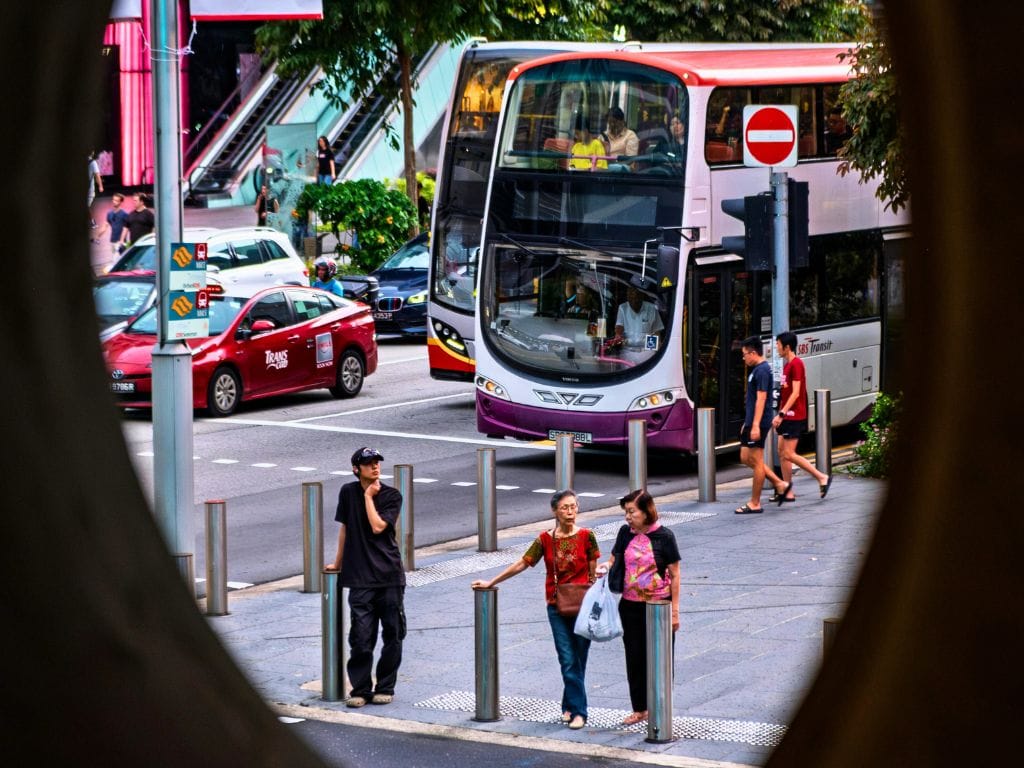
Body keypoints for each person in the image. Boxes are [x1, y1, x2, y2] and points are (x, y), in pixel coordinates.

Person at [471, 490, 599, 731]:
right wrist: (492, 581)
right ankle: (580, 712)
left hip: (583, 607)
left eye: (573, 506)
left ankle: (569, 704)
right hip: (556, 606)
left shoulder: (587, 536)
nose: (570, 512)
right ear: (554, 511)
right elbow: (523, 562)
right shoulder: (545, 539)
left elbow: (593, 570)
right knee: (567, 659)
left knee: (579, 659)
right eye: (564, 507)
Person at [326, 447, 406, 708]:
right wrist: (337, 563)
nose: (375, 467)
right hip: (359, 577)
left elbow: (378, 526)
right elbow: (345, 529)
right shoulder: (348, 492)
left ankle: (385, 686)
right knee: (361, 637)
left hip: (389, 576)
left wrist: (369, 497)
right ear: (356, 469)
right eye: (369, 463)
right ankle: (360, 690)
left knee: (393, 635)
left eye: (377, 462)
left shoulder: (391, 495)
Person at [596, 489, 681, 726]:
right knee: (634, 657)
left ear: (646, 511)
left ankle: (661, 707)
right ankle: (640, 708)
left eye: (632, 512)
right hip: (630, 605)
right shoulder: (625, 533)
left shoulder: (664, 536)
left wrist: (675, 611)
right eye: (626, 512)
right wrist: (605, 566)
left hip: (659, 606)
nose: (628, 517)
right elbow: (615, 558)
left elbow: (675, 574)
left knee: (661, 658)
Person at [763, 331, 832, 504]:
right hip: (787, 415)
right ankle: (787, 491)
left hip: (794, 415)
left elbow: (795, 394)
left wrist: (781, 414)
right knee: (782, 453)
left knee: (789, 453)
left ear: (787, 347)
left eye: (778, 345)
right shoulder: (787, 365)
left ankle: (821, 477)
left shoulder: (797, 364)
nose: (777, 348)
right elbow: (785, 393)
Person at [735, 336, 774, 514]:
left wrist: (756, 425)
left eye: (744, 354)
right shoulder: (757, 370)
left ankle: (755, 503)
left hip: (760, 422)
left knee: (757, 461)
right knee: (745, 457)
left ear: (752, 353)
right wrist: (747, 422)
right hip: (752, 421)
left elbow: (761, 399)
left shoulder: (762, 371)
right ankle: (779, 483)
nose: (743, 358)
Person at [93, 193, 129, 260]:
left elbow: (126, 228)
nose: (114, 202)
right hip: (112, 241)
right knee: (114, 258)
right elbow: (105, 226)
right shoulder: (109, 214)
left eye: (116, 200)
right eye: (113, 200)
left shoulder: (125, 214)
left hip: (121, 242)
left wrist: (121, 240)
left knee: (120, 260)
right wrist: (97, 236)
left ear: (121, 202)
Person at [87, 151, 103, 227]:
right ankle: (92, 222)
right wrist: (100, 186)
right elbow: (97, 175)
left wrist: (100, 186)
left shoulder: (92, 162)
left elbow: (97, 175)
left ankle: (92, 222)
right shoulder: (93, 162)